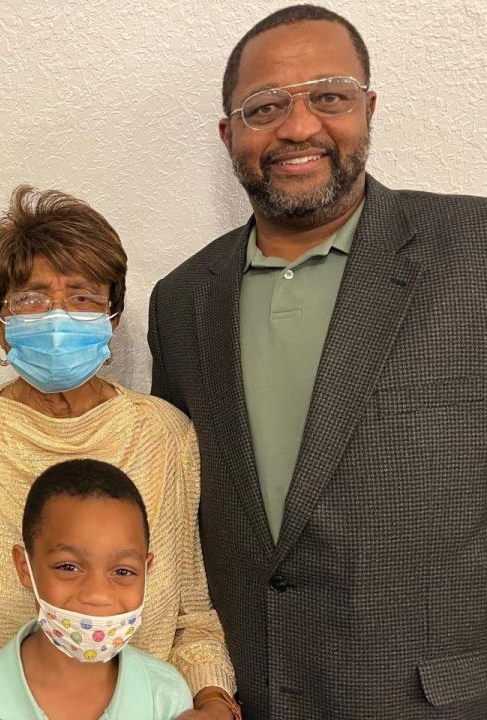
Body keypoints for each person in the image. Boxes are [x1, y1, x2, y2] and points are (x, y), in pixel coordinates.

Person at [148, 5, 487, 718]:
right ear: (228, 134)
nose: (299, 127)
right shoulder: (180, 303)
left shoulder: (474, 251)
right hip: (246, 698)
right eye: (264, 106)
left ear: (368, 107)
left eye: (329, 96)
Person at [0, 185, 238, 720]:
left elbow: (193, 613)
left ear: (113, 318)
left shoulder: (165, 438)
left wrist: (213, 700)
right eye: (30, 298)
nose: (56, 319)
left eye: (82, 297)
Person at [0, 459, 195, 719]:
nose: (98, 595)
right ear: (24, 568)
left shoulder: (167, 697)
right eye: (68, 567)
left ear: (146, 569)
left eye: (123, 571)